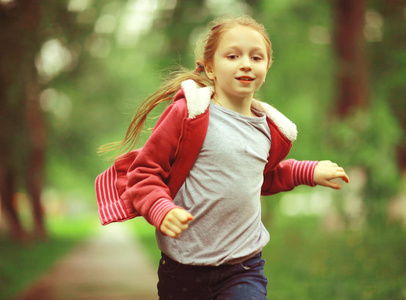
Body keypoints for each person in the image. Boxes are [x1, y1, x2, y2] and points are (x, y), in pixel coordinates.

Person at [96, 15, 349, 300]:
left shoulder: (268, 130)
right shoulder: (189, 115)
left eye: (256, 57)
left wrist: (309, 171)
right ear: (210, 68)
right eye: (232, 55)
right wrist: (161, 209)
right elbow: (144, 173)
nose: (245, 64)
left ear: (267, 68)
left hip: (243, 267)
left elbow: (263, 177)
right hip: (183, 269)